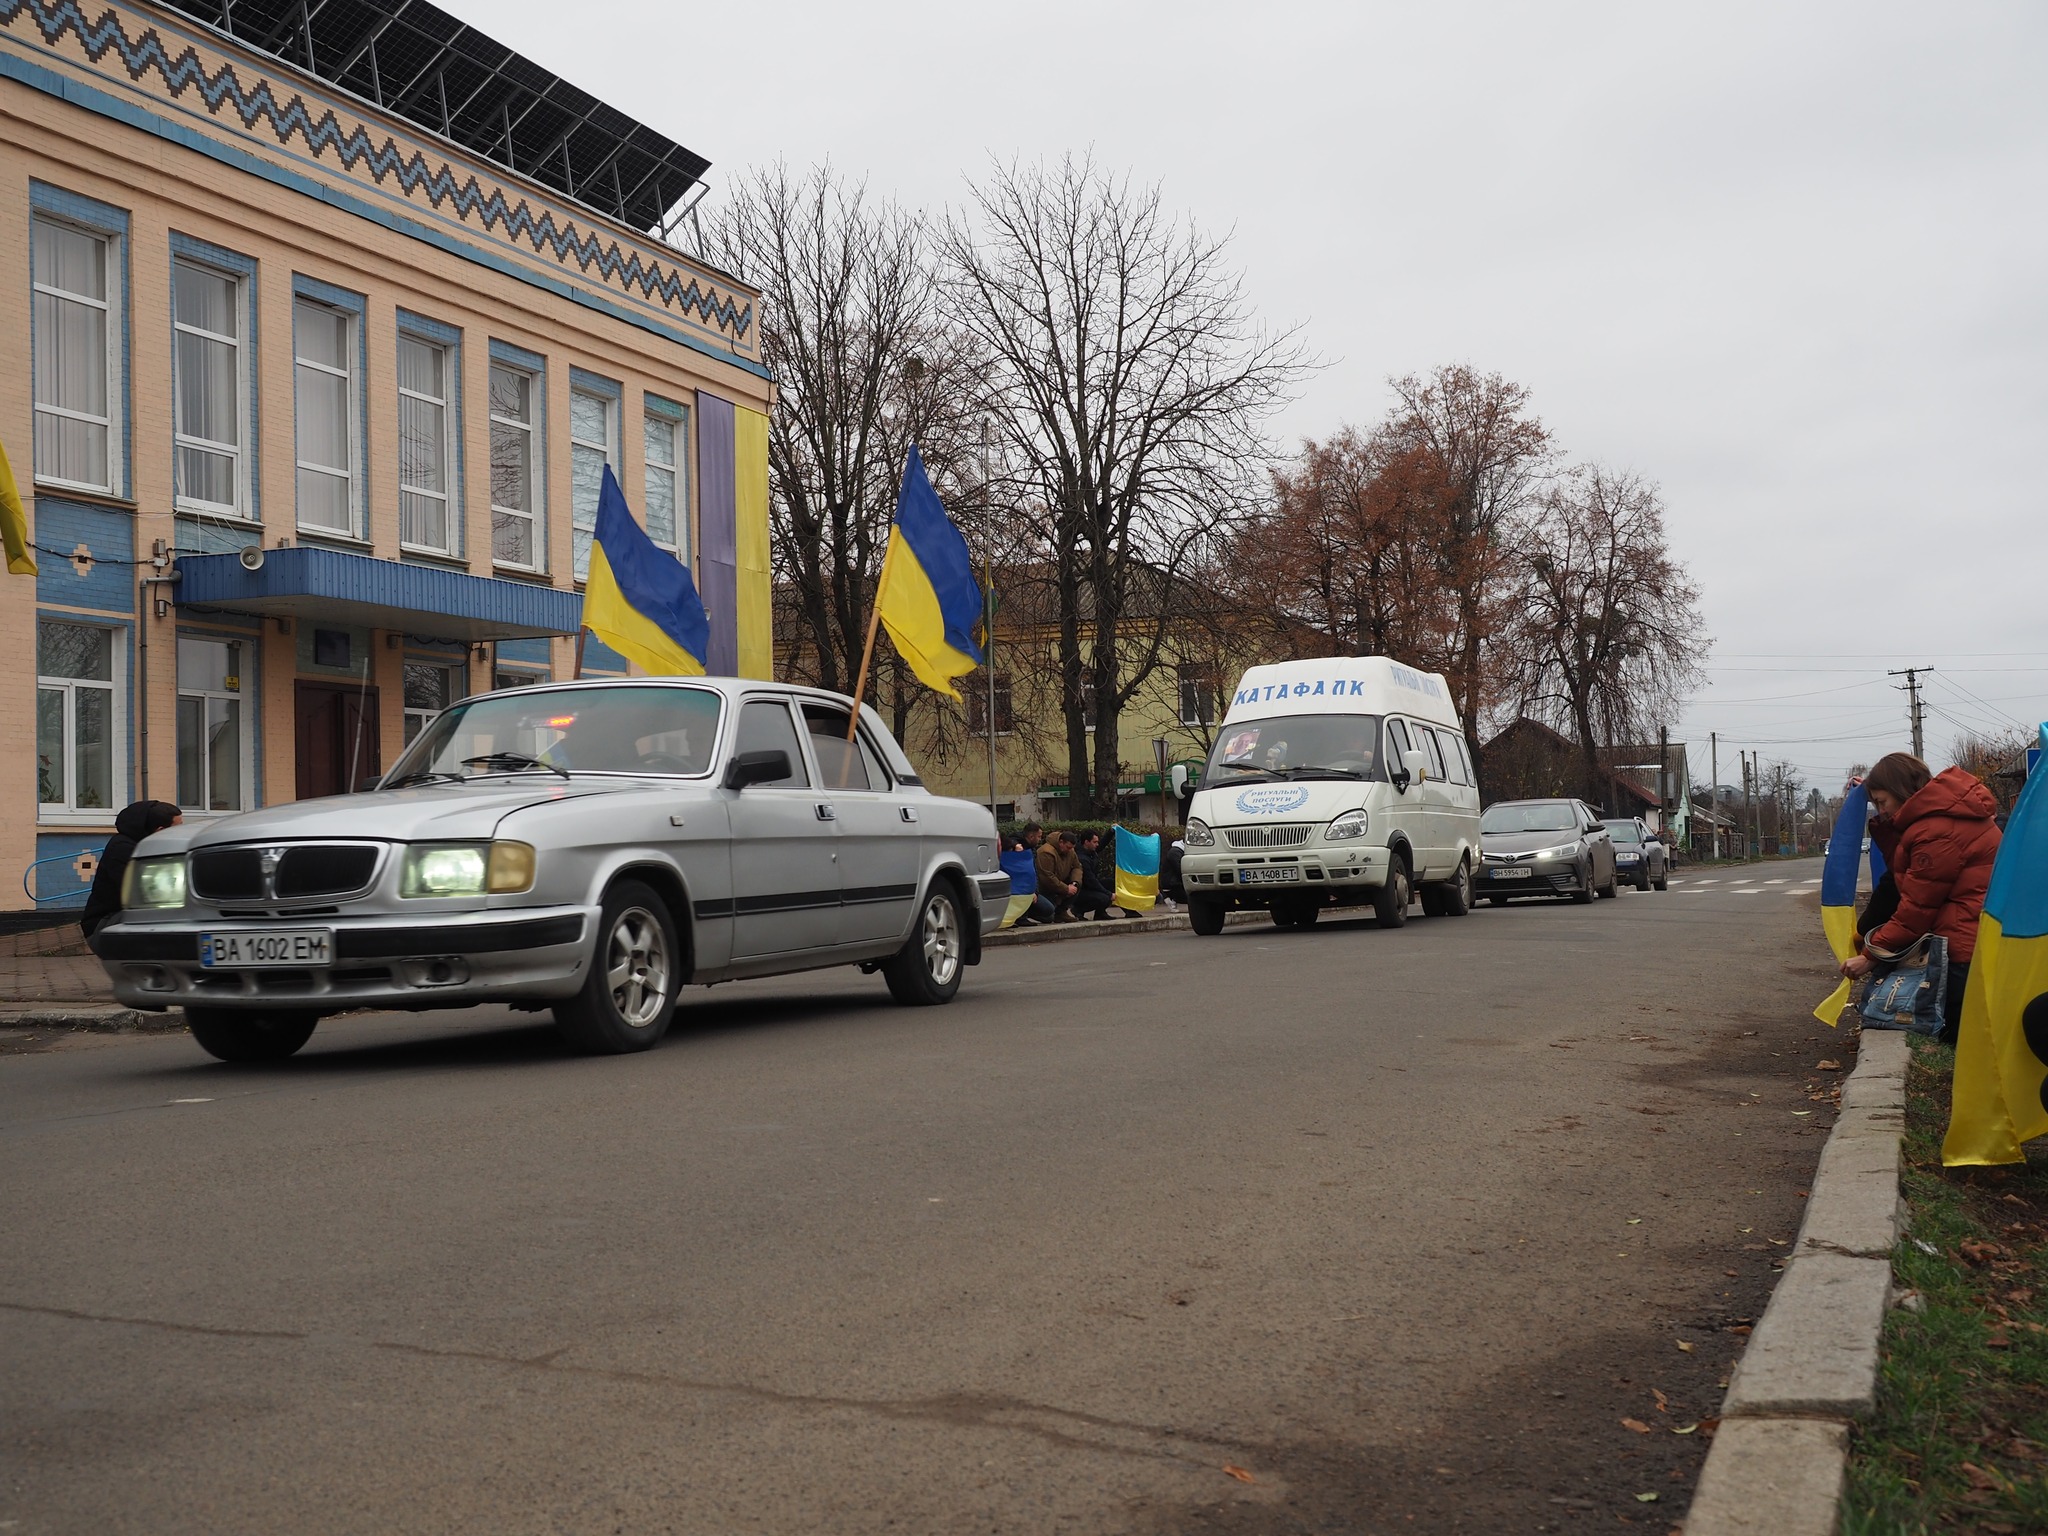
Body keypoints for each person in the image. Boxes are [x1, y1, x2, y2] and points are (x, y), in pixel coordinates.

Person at [1839, 752, 2001, 1044]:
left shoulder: (1936, 831)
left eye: (1882, 801)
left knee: (1956, 1039)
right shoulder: (1943, 818)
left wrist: (1869, 957)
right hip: (1975, 935)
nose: (1881, 811)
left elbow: (1916, 908)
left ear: (1902, 791)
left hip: (1960, 947)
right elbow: (1902, 876)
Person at [81, 800, 182, 939]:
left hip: (125, 918)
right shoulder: (123, 849)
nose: (182, 833)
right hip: (104, 924)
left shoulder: (146, 845)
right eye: (178, 828)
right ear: (160, 831)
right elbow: (143, 894)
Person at [1036, 829, 1084, 923]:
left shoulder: (1070, 851)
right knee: (1048, 917)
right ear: (1061, 842)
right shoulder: (1046, 852)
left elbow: (1077, 867)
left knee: (1077, 885)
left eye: (1071, 848)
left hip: (1059, 883)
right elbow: (1047, 877)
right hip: (1045, 889)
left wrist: (1075, 883)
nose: (1069, 850)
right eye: (1068, 847)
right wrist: (1066, 888)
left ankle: (1061, 912)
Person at [1074, 830, 1120, 920]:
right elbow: (1091, 881)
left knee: (1111, 883)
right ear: (1086, 842)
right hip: (1081, 890)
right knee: (1104, 898)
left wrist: (1110, 832)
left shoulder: (1090, 851)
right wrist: (1109, 894)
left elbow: (1101, 845)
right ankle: (1078, 909)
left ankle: (1100, 913)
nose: (1097, 844)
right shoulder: (1082, 858)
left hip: (1089, 886)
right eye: (1095, 842)